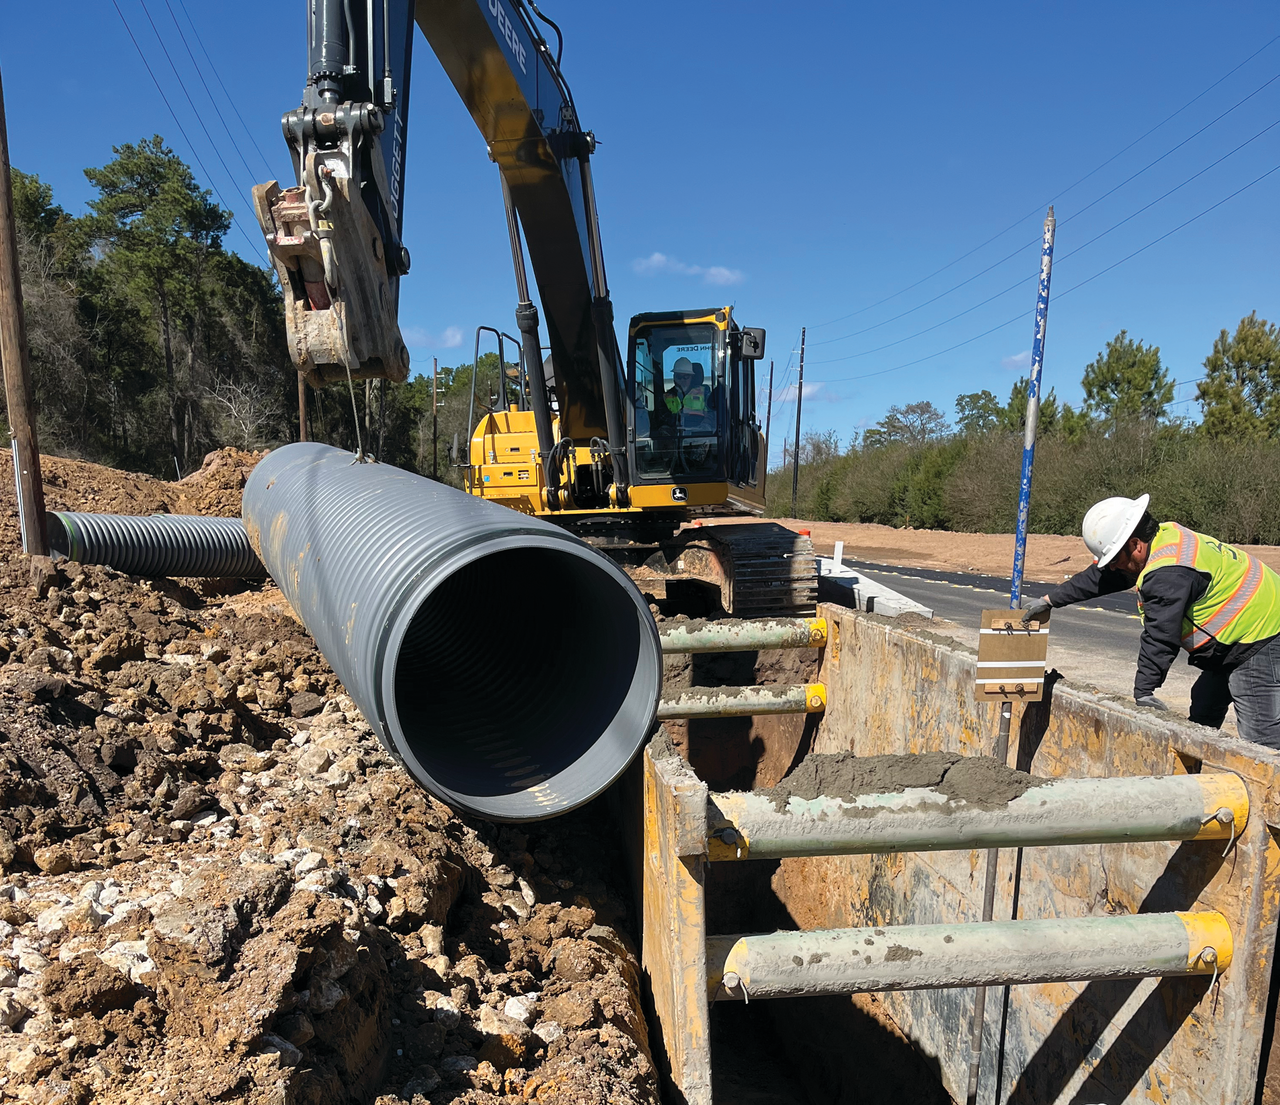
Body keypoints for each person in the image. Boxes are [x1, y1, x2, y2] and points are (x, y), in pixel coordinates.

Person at [1021, 494, 1280, 748]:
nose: (1112, 567)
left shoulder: (1167, 572)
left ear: (1135, 545)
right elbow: (1103, 577)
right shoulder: (1161, 540)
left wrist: (1144, 690)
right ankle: (1194, 778)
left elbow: (1160, 636)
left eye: (1115, 560)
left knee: (1260, 741)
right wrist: (1050, 599)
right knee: (1204, 706)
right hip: (1238, 637)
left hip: (1260, 636)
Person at [664, 357, 710, 429]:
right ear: (674, 377)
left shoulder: (704, 393)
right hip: (674, 436)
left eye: (686, 377)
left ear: (692, 377)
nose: (683, 380)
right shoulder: (666, 397)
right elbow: (661, 422)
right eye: (679, 377)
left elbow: (711, 416)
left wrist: (704, 427)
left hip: (700, 436)